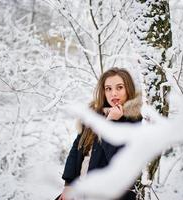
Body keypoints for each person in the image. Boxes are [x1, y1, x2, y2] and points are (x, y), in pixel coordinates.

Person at [57, 67, 142, 200]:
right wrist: (68, 183)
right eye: (108, 88)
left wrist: (109, 123)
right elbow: (76, 150)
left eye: (119, 87)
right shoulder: (93, 116)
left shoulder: (134, 121)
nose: (113, 93)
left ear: (128, 89)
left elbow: (119, 161)